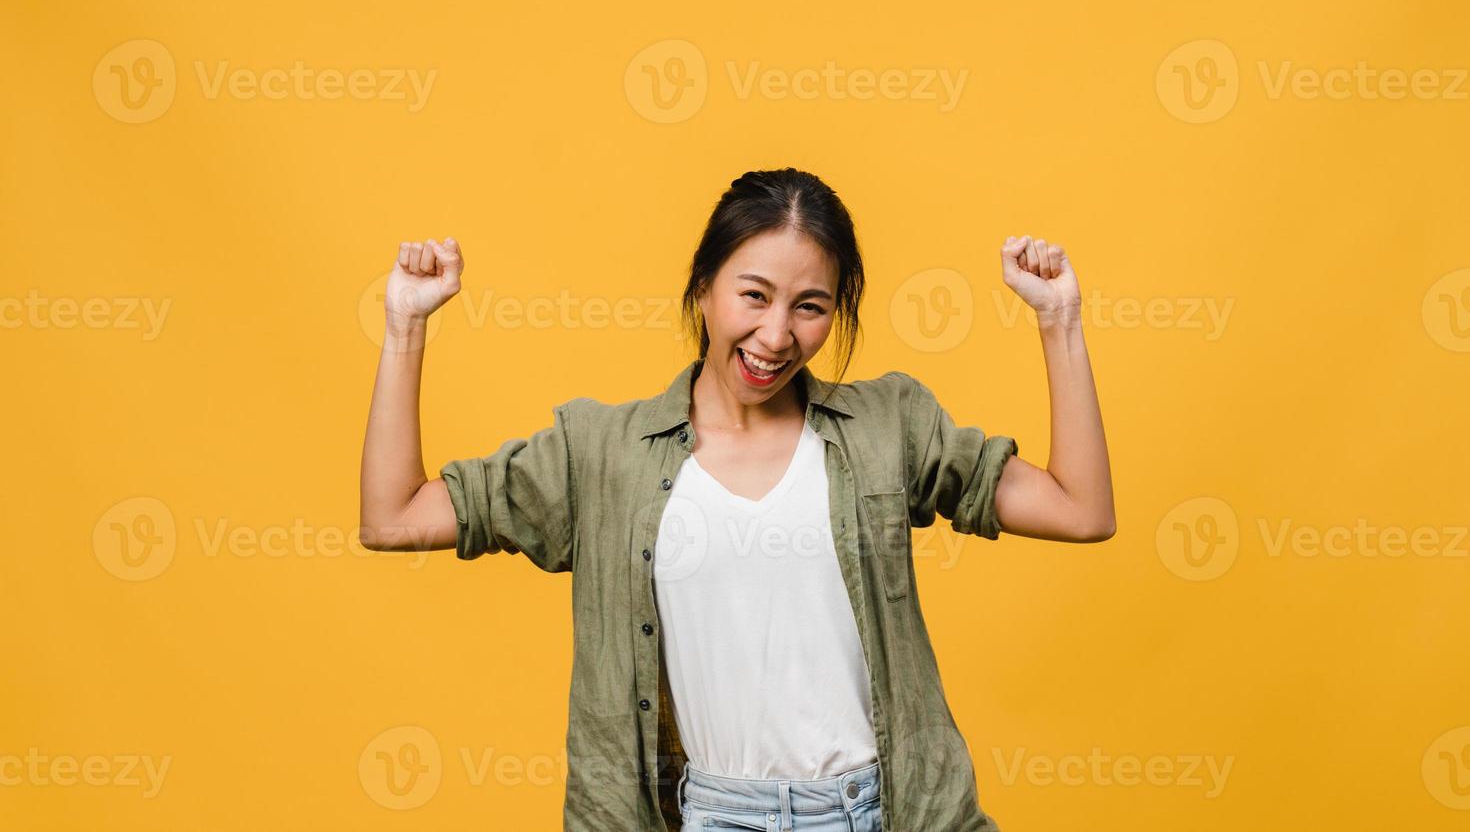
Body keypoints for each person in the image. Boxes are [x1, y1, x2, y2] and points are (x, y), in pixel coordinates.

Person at [358, 167, 1115, 832]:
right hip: (717, 815)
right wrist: (405, 326)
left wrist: (1060, 321)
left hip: (886, 812)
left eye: (810, 306)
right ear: (703, 286)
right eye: (753, 295)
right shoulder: (601, 452)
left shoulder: (889, 428)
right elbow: (394, 518)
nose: (776, 335)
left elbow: (1081, 510)